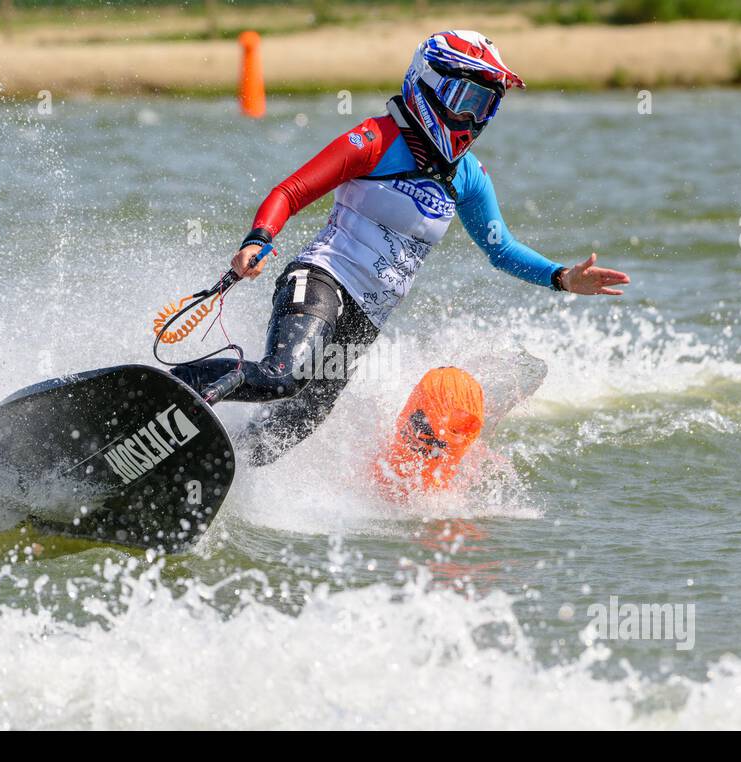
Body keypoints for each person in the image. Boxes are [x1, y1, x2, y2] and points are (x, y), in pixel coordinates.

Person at [172, 30, 630, 465]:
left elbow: (501, 248)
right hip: (322, 280)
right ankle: (166, 392)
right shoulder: (374, 140)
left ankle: (208, 468)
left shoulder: (466, 177)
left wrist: (562, 277)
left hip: (364, 320)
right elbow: (291, 192)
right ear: (428, 85)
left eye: (484, 105)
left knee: (299, 419)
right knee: (281, 377)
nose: (471, 117)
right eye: (464, 99)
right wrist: (258, 240)